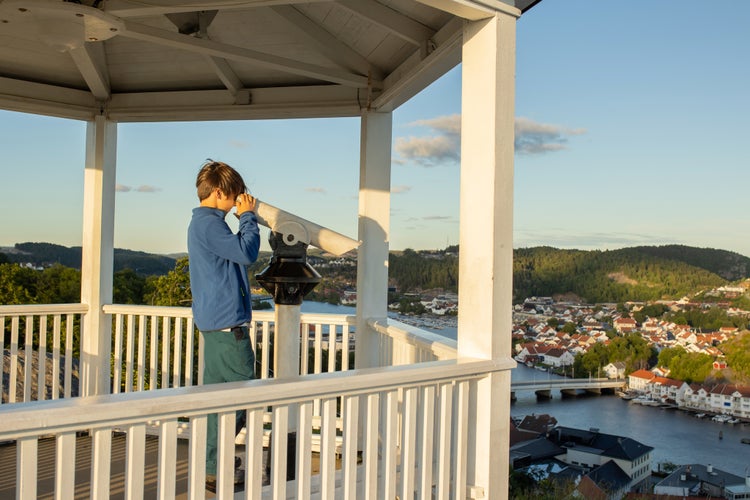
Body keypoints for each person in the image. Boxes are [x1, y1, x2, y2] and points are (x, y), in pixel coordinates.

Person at [187, 159, 261, 491]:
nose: (237, 201)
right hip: (229, 330)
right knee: (247, 398)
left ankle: (212, 466)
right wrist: (248, 217)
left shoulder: (200, 224)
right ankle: (213, 463)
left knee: (217, 402)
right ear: (219, 192)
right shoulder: (210, 225)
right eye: (234, 196)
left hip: (212, 325)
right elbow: (246, 253)